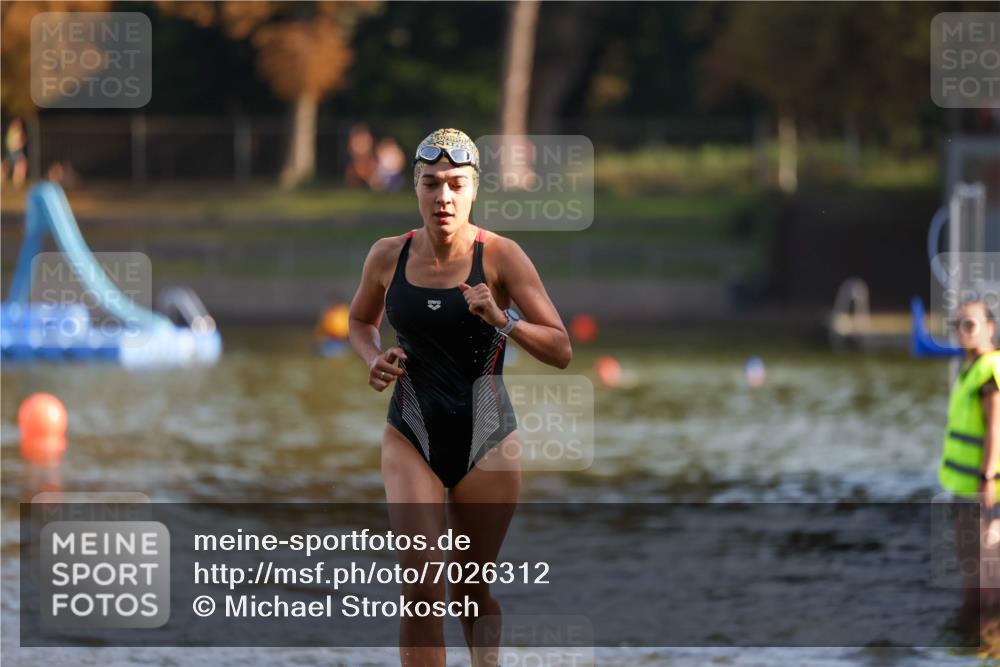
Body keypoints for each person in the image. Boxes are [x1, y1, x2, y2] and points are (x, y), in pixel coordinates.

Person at [348, 128, 572, 667]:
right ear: (416, 190)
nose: (442, 197)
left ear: (473, 191)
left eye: (453, 185)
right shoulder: (387, 256)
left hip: (488, 439)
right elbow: (359, 321)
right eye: (430, 184)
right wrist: (371, 356)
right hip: (411, 432)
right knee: (422, 589)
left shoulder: (501, 257)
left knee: (470, 592)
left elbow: (561, 348)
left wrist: (503, 320)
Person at [938, 300, 1000, 623]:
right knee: (971, 577)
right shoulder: (970, 368)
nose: (962, 332)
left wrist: (988, 477)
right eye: (957, 325)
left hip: (986, 491)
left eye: (970, 324)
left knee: (989, 582)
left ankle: (990, 646)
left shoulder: (991, 369)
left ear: (990, 328)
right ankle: (971, 642)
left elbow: (996, 427)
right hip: (964, 490)